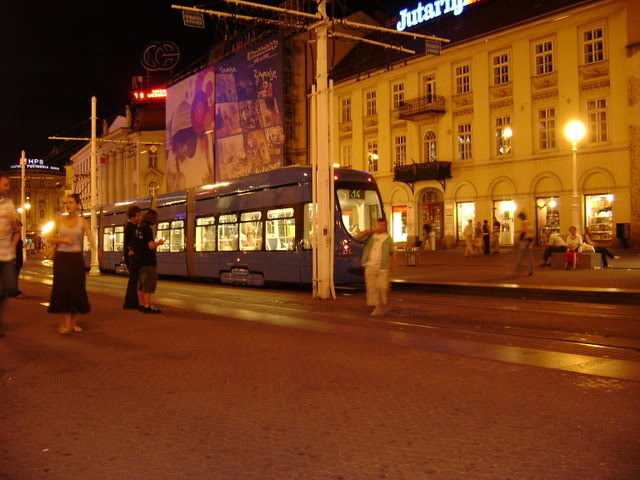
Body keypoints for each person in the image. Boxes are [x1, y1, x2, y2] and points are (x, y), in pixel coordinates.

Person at [47, 194, 94, 334]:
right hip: (62, 258)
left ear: (77, 204)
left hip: (76, 259)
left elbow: (90, 236)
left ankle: (73, 322)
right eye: (66, 203)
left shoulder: (83, 221)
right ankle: (66, 323)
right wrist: (62, 240)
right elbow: (49, 237)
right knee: (63, 288)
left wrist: (95, 248)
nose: (67, 205)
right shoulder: (59, 220)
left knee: (76, 289)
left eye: (71, 202)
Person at [357, 218, 396, 316]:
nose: (381, 227)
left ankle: (383, 305)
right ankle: (378, 307)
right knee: (372, 287)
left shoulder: (388, 238)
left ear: (385, 226)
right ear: (376, 225)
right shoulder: (370, 236)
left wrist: (393, 265)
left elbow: (393, 252)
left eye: (383, 225)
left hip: (383, 267)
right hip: (370, 265)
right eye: (379, 225)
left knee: (381, 287)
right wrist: (369, 231)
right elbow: (358, 236)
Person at [133, 209, 164, 314]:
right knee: (148, 284)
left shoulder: (138, 228)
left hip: (139, 260)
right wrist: (159, 243)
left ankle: (141, 304)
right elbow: (150, 246)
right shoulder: (147, 229)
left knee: (141, 284)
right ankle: (147, 306)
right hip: (148, 261)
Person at [0, 174, 19, 336]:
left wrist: (12, 222)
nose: (8, 187)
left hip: (6, 254)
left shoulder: (9, 203)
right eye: (5, 184)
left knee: (10, 288)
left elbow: (16, 228)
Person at [123, 205, 142, 310]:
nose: (139, 218)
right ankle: (131, 303)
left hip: (130, 256)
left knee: (134, 280)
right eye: (138, 216)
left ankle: (132, 302)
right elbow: (130, 241)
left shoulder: (132, 226)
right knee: (134, 280)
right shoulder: (131, 227)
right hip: (132, 257)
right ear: (132, 216)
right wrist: (130, 251)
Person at [513, 210, 534, 276]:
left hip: (525, 240)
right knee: (530, 256)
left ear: (521, 217)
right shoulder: (529, 222)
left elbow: (524, 231)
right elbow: (530, 231)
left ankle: (518, 268)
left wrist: (518, 236)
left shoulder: (523, 223)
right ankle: (531, 270)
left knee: (521, 254)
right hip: (531, 240)